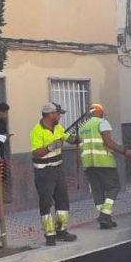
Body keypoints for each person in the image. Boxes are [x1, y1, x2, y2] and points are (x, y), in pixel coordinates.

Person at [79, 103, 131, 229]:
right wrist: (125, 151)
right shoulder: (102, 122)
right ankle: (105, 214)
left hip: (88, 164)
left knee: (97, 190)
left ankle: (105, 220)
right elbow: (108, 142)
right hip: (104, 162)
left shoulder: (83, 127)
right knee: (113, 187)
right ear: (99, 112)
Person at [31, 103, 79, 246]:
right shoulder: (37, 131)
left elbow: (66, 137)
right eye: (58, 114)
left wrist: (74, 139)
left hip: (58, 170)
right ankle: (49, 235)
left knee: (63, 200)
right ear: (50, 114)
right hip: (44, 172)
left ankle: (61, 230)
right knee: (46, 203)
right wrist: (51, 146)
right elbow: (36, 152)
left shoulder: (58, 127)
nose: (59, 117)